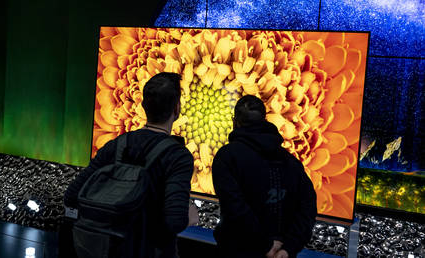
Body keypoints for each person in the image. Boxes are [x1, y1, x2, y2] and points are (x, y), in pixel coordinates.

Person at [64, 72, 198, 258]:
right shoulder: (177, 156)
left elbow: (71, 197)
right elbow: (174, 221)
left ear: (143, 106)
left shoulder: (116, 145)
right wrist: (189, 216)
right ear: (177, 109)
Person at [212, 95, 317, 258]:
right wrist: (288, 248)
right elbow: (308, 208)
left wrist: (265, 245)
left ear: (235, 122)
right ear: (265, 120)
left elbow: (235, 209)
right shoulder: (291, 162)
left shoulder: (227, 157)